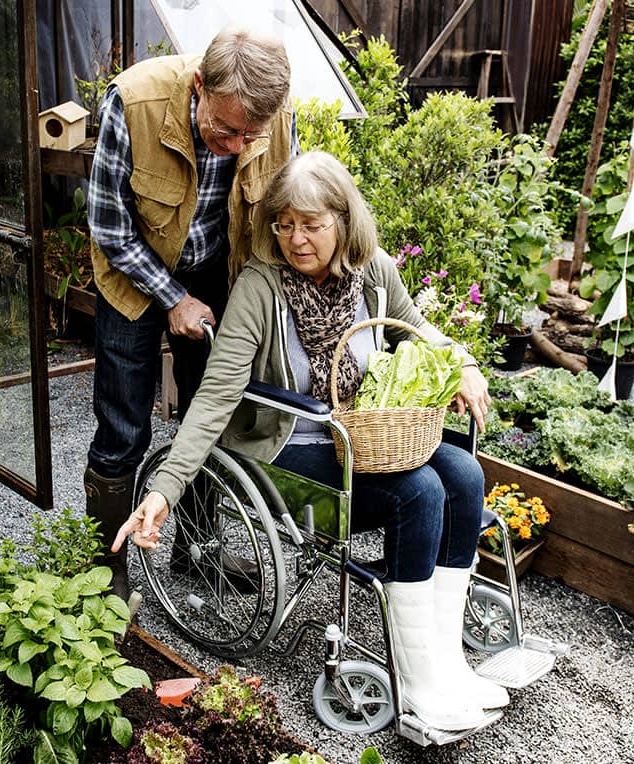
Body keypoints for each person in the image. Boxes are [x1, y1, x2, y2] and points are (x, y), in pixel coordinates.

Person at [111, 151, 507, 731]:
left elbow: (416, 326)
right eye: (285, 224)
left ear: (344, 222)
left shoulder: (374, 271)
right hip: (289, 449)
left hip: (363, 439)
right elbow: (217, 394)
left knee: (466, 475)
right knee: (420, 491)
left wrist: (463, 362)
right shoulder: (259, 287)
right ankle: (417, 680)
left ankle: (444, 663)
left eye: (312, 225)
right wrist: (167, 487)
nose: (297, 240)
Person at [83, 26, 297, 599]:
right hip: (135, 272)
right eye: (225, 129)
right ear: (200, 85)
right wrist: (171, 296)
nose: (236, 145)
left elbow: (284, 207)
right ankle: (105, 570)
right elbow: (108, 227)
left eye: (251, 136)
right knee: (123, 428)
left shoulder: (270, 118)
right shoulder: (135, 101)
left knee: (215, 415)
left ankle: (197, 552)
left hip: (220, 271)